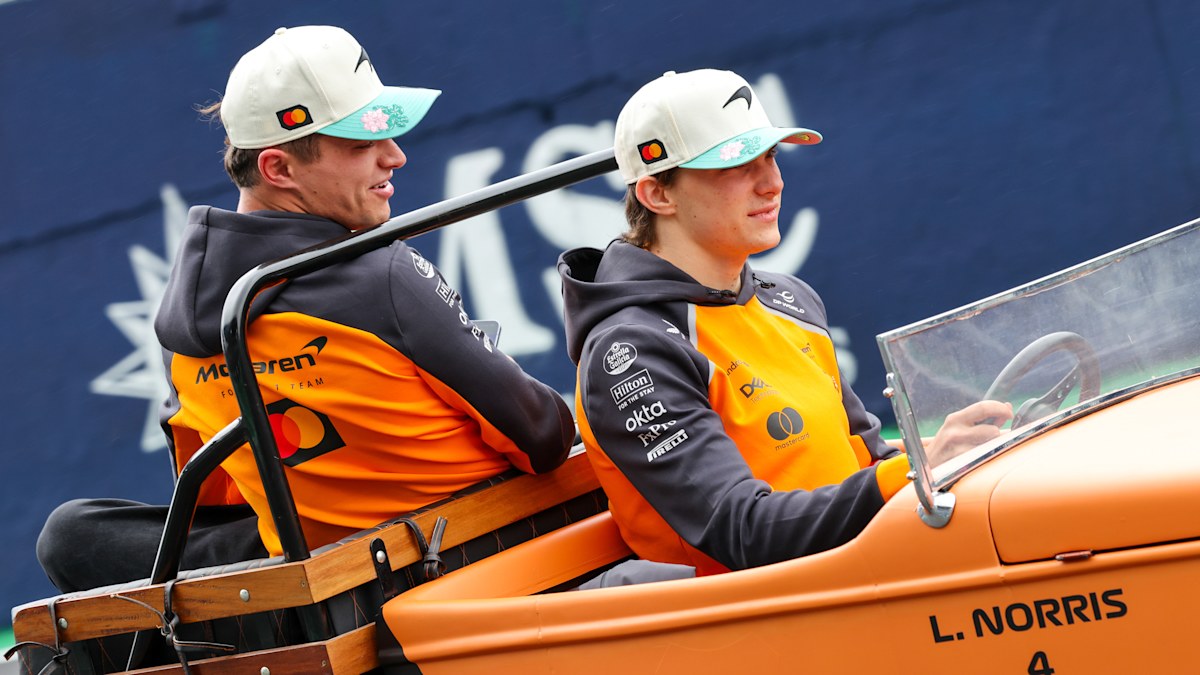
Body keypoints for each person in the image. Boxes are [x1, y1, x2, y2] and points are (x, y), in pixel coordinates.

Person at [37, 25, 575, 593]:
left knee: (72, 534)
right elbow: (542, 439)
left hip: (307, 586)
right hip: (476, 555)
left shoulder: (180, 331)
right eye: (362, 143)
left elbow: (217, 497)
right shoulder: (386, 275)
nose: (395, 157)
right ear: (279, 170)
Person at [558, 69, 1011, 579]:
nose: (772, 183)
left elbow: (866, 459)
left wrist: (947, 454)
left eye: (771, 156)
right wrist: (910, 472)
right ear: (658, 195)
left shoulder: (789, 298)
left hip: (867, 578)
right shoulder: (631, 351)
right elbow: (744, 533)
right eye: (734, 165)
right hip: (756, 616)